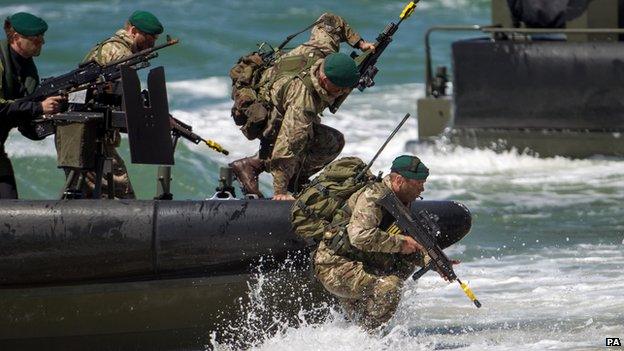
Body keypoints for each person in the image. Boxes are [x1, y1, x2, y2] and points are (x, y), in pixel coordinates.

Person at [229, 13, 375, 200]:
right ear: (323, 79)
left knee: (306, 134)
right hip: (266, 111)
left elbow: (330, 21)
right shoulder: (303, 101)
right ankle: (252, 166)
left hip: (273, 87)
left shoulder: (324, 49)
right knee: (328, 142)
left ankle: (291, 177)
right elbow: (288, 145)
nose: (341, 92)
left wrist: (360, 43)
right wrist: (280, 192)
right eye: (339, 89)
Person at [313, 155, 439, 330]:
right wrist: (402, 243)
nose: (422, 189)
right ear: (400, 180)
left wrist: (431, 260)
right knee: (390, 287)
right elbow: (360, 236)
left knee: (404, 265)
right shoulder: (374, 196)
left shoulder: (400, 200)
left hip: (360, 262)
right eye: (418, 184)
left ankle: (358, 331)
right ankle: (367, 340)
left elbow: (402, 242)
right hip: (335, 264)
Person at [62, 10, 164, 199]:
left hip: (82, 132)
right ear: (133, 31)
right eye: (149, 38)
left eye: (155, 39)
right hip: (87, 135)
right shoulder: (121, 53)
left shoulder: (108, 48)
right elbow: (124, 99)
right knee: (122, 193)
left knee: (88, 196)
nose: (152, 44)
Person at [0, 12, 64, 199]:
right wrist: (39, 108)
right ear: (16, 38)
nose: (42, 42)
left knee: (9, 208)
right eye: (36, 38)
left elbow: (27, 128)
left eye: (42, 37)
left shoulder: (28, 69)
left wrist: (49, 118)